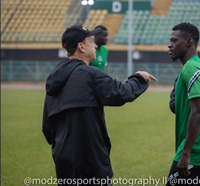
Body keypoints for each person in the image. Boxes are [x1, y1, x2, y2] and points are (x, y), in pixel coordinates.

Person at [42, 25, 156, 186]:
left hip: (64, 163)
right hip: (91, 163)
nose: (96, 45)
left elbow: (47, 127)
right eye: (91, 42)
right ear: (81, 47)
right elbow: (121, 93)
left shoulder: (54, 77)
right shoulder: (91, 74)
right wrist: (139, 78)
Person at [167, 22, 200, 186]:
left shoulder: (192, 67)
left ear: (189, 42)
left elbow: (198, 112)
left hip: (198, 148)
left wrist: (186, 153)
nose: (169, 45)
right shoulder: (197, 66)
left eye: (174, 40)